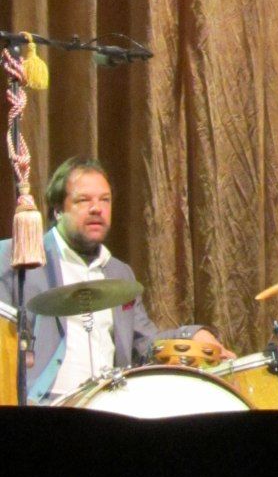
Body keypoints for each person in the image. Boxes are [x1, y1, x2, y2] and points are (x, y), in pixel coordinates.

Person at [0, 156, 226, 404]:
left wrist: (190, 335)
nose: (97, 208)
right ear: (58, 210)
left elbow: (144, 344)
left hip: (110, 404)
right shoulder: (17, 257)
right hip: (43, 405)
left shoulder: (120, 273)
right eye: (83, 200)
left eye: (104, 200)